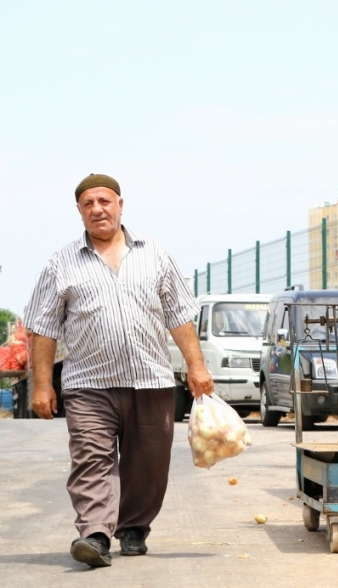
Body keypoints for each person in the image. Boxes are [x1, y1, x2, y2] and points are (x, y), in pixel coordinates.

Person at [23, 173, 214, 568]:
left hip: (151, 380)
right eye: (88, 204)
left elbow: (179, 316)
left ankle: (132, 528)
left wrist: (196, 365)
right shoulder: (61, 263)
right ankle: (94, 533)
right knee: (91, 458)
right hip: (88, 385)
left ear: (120, 205)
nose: (98, 210)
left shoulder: (155, 255)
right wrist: (41, 386)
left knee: (148, 463)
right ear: (79, 212)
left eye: (104, 201)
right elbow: (41, 327)